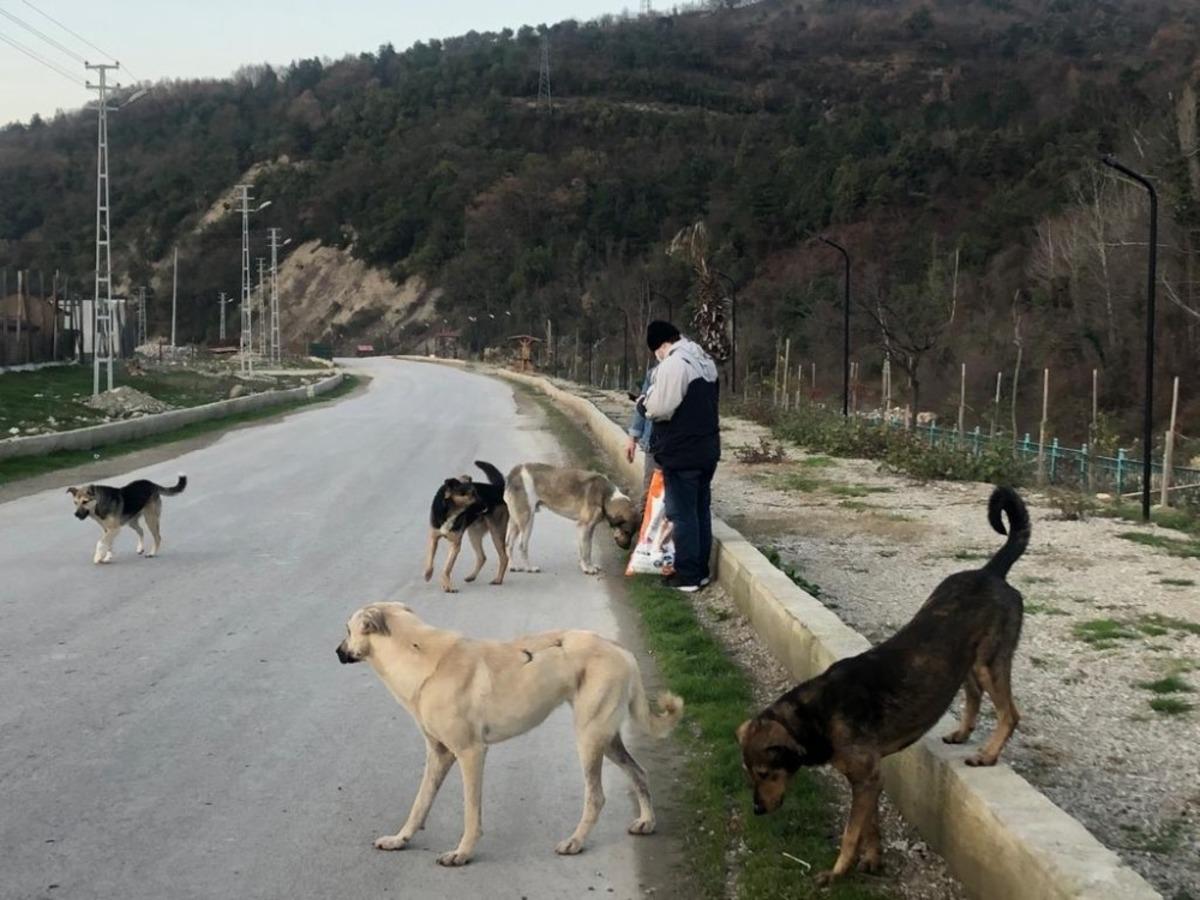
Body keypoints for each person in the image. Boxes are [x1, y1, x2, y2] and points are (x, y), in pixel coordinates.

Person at [637, 320, 720, 593]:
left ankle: (688, 576)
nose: (656, 357)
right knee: (699, 512)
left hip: (682, 451)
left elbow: (660, 408)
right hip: (707, 448)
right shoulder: (703, 359)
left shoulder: (674, 364)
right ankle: (702, 571)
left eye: (655, 352)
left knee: (682, 514)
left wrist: (642, 403)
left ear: (660, 345)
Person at [626, 362, 659, 506]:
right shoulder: (653, 374)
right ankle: (643, 525)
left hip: (675, 446)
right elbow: (642, 407)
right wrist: (632, 438)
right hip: (653, 443)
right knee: (649, 492)